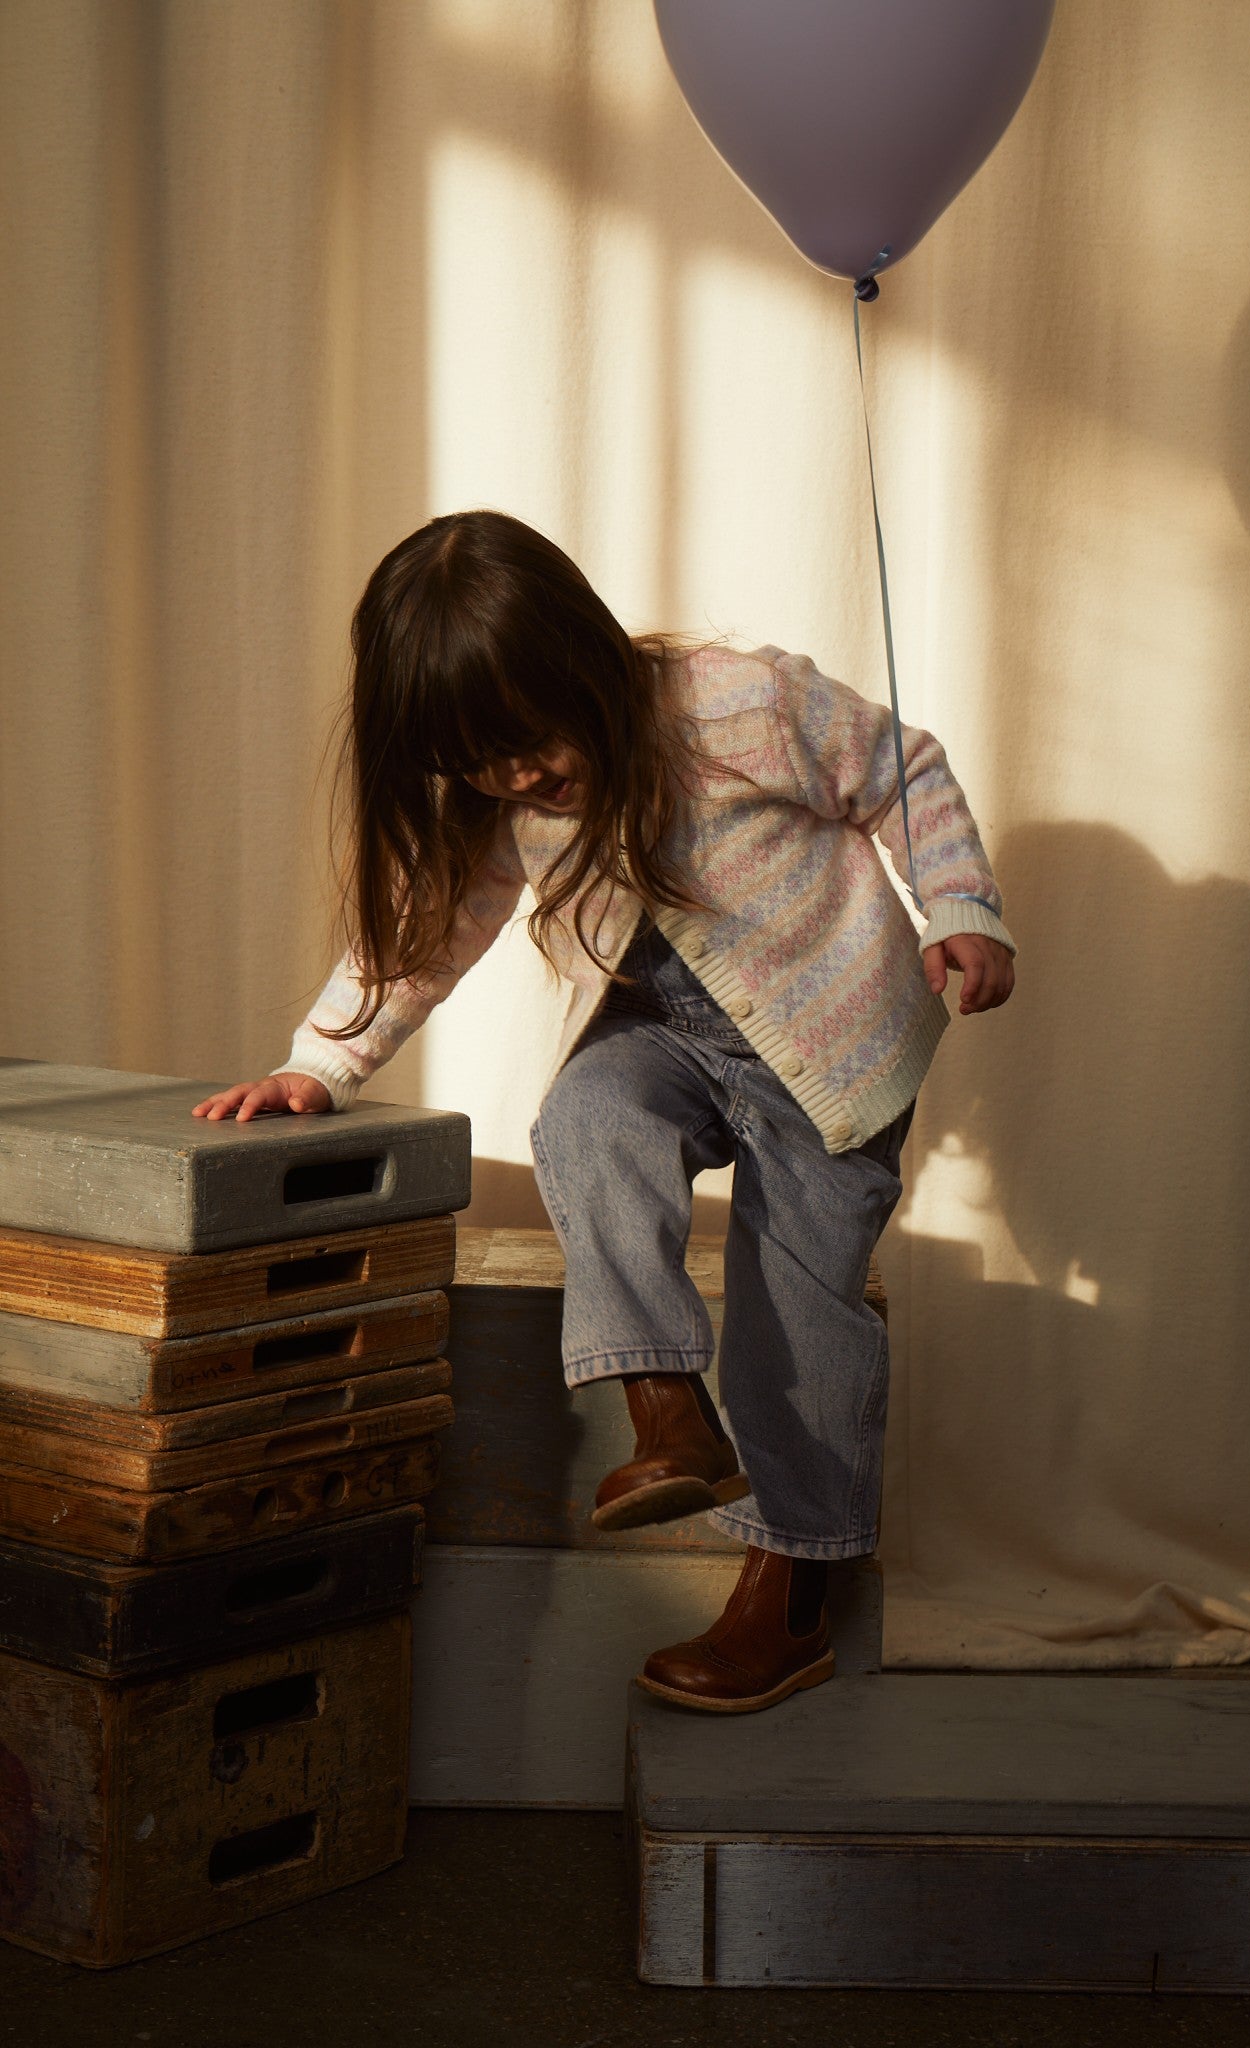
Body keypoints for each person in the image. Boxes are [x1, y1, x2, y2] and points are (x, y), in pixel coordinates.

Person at [194, 509, 1015, 1714]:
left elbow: (906, 770)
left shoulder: (741, 705)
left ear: (581, 653)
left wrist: (960, 908)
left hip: (828, 1055)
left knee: (799, 1311)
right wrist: (321, 1062)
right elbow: (422, 936)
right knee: (585, 1114)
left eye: (527, 741)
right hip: (665, 1036)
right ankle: (667, 1413)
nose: (518, 776)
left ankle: (794, 1584)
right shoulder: (502, 797)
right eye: (479, 764)